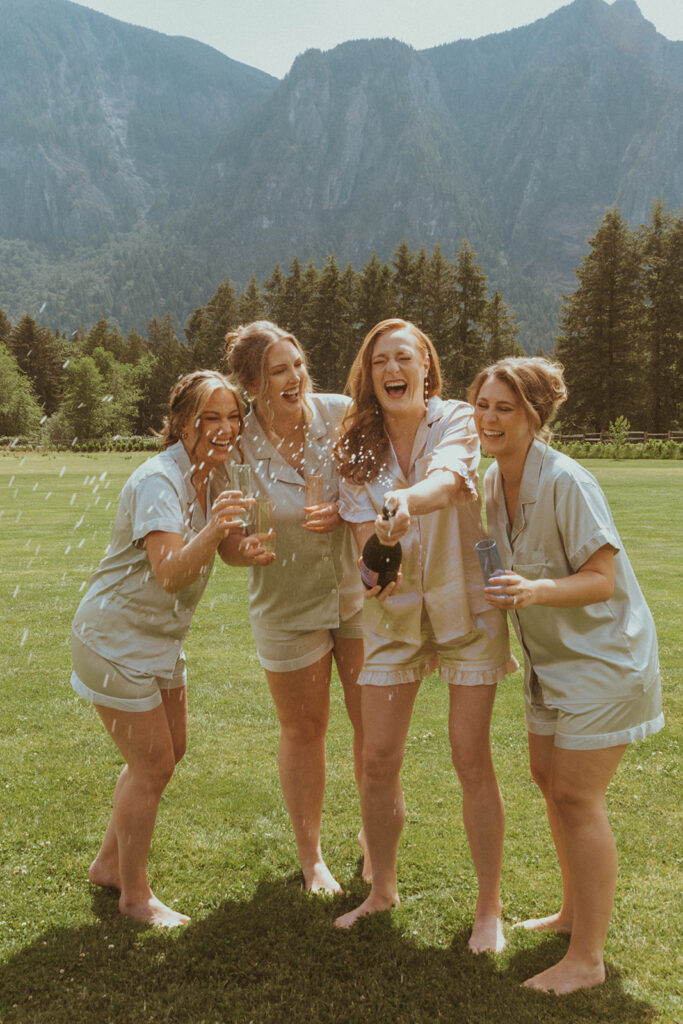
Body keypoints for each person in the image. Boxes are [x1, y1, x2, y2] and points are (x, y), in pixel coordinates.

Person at [468, 356, 664, 993]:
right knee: (550, 781)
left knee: (578, 795)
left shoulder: (568, 482)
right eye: (483, 405)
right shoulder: (494, 482)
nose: (490, 419)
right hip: (550, 666)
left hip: (606, 662)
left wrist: (535, 591)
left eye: (506, 408)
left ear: (534, 416)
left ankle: (588, 960)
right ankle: (571, 915)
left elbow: (601, 579)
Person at [333, 318, 517, 950]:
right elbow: (366, 556)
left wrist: (408, 501)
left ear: (426, 368)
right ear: (370, 374)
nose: (393, 368)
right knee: (378, 759)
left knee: (470, 756)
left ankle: (489, 908)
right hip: (395, 619)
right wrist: (377, 558)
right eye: (381, 359)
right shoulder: (353, 446)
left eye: (404, 357)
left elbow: (449, 476)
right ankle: (381, 890)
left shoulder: (458, 419)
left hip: (467, 602)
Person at [71, 370, 270, 927]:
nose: (226, 428)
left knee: (168, 751)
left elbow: (222, 548)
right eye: (212, 418)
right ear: (183, 422)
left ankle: (109, 865)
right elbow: (170, 574)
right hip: (113, 639)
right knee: (152, 762)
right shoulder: (161, 481)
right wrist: (213, 533)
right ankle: (134, 897)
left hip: (156, 640)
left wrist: (242, 550)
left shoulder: (214, 473)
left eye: (234, 417)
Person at [220, 321, 365, 894]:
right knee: (304, 729)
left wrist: (346, 513)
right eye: (279, 370)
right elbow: (227, 537)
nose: (295, 377)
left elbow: (378, 480)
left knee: (371, 726)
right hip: (284, 605)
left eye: (298, 364)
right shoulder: (238, 442)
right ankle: (313, 859)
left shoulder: (341, 413)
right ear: (253, 383)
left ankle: (374, 843)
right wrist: (241, 550)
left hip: (355, 596)